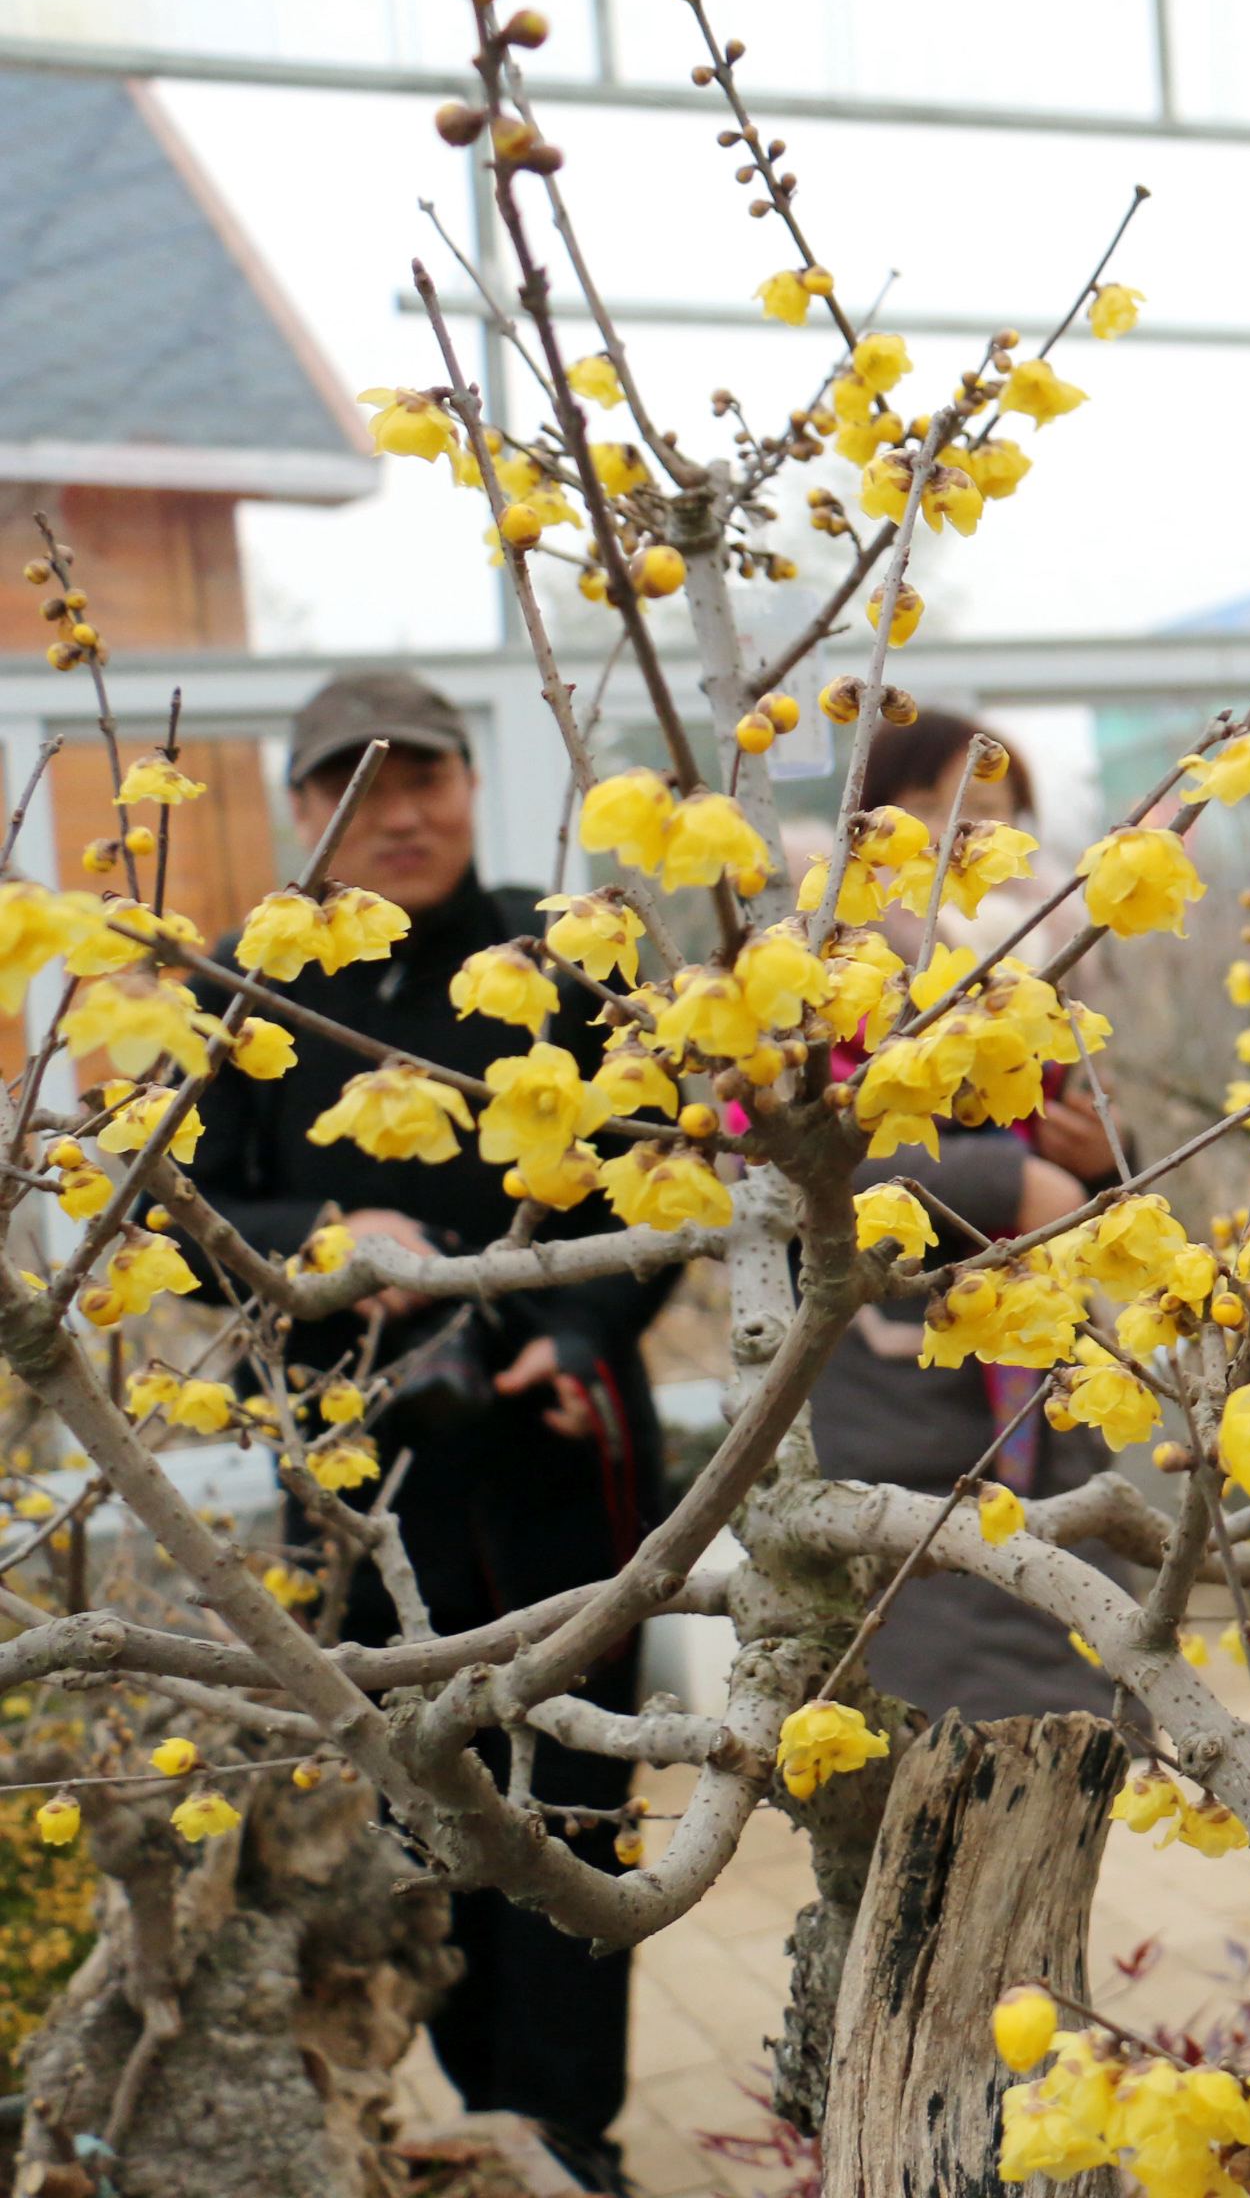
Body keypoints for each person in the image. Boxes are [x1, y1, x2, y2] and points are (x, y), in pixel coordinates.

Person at [185, 670, 679, 2190]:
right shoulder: (249, 982)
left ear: (474, 785)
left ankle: (573, 2133)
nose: (401, 815)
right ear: (303, 810)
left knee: (577, 1801)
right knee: (414, 1794)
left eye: (430, 779)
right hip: (359, 1462)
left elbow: (654, 1186)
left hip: (556, 1442)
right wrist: (336, 1226)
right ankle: (480, 2108)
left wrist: (576, 1332)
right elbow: (192, 1215)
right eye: (361, 787)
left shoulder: (564, 960)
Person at [801, 710, 1129, 1721]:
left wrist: (1106, 1163)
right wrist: (998, 1183)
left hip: (1040, 1378)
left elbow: (1093, 1186)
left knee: (1064, 1698)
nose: (965, 838)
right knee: (946, 1696)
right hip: (901, 1395)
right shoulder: (824, 962)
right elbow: (783, 1155)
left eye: (991, 813)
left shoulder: (1034, 976)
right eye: (937, 809)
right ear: (871, 823)